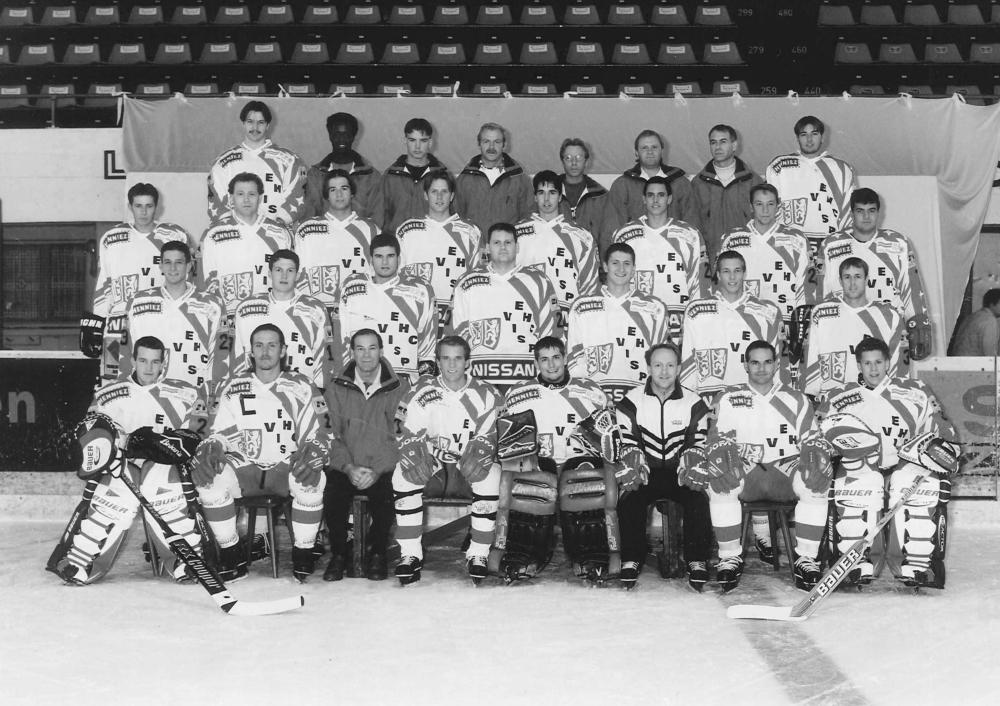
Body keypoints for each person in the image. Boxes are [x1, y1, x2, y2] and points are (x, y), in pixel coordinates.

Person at [49, 335, 205, 584]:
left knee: (158, 485)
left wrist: (172, 445)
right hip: (121, 464)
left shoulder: (185, 393)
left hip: (165, 465)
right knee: (117, 491)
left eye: (155, 362)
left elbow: (196, 435)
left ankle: (186, 560)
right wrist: (109, 452)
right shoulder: (108, 393)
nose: (149, 368)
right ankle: (82, 560)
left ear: (164, 362)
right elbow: (90, 432)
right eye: (143, 361)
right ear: (132, 360)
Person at [679, 340, 828, 592]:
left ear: (777, 364)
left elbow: (812, 439)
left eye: (767, 362)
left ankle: (806, 559)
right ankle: (729, 558)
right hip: (747, 470)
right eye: (755, 362)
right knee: (722, 478)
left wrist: (817, 455)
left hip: (784, 470)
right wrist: (717, 452)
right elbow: (714, 437)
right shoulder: (727, 397)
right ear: (746, 365)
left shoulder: (796, 398)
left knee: (814, 480)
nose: (761, 368)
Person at [814, 336, 960, 587]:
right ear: (858, 365)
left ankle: (916, 563)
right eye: (867, 363)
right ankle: (855, 562)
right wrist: (823, 453)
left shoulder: (915, 391)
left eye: (878, 362)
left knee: (915, 483)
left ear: (888, 362)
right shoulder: (839, 396)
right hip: (861, 465)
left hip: (903, 464)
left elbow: (942, 428)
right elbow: (817, 433)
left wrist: (944, 448)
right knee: (860, 483)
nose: (873, 369)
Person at [193, 324, 331, 582]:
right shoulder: (233, 386)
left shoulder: (302, 385)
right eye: (259, 345)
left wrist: (314, 452)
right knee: (209, 480)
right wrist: (212, 448)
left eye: (272, 345)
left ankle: (303, 553)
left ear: (283, 350)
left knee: (313, 478)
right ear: (251, 351)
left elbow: (320, 431)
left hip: (285, 466)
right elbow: (218, 431)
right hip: (245, 467)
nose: (265, 351)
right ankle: (231, 554)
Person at [494, 336, 624, 582]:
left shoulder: (590, 390)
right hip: (540, 460)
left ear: (565, 359)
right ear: (536, 363)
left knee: (582, 477)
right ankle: (528, 552)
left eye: (556, 358)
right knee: (534, 479)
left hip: (577, 460)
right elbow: (507, 438)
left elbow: (610, 432)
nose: (551, 365)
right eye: (544, 359)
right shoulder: (518, 392)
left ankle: (589, 553)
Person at [392, 336, 502, 584]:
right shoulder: (420, 390)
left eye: (458, 358)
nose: (452, 365)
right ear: (438, 362)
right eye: (446, 358)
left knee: (491, 476)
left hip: (469, 458)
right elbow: (402, 428)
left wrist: (486, 447)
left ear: (468, 362)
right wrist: (412, 448)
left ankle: (478, 553)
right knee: (402, 474)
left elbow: (497, 432)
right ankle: (410, 554)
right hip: (434, 457)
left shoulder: (487, 393)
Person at [615, 342, 714, 590]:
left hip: (678, 471)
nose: (664, 371)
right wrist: (633, 460)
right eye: (658, 365)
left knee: (698, 497)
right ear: (649, 368)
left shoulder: (694, 402)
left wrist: (691, 461)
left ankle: (697, 560)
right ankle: (631, 559)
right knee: (630, 496)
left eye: (670, 365)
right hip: (647, 470)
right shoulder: (630, 401)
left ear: (679, 368)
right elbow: (628, 441)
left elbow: (697, 442)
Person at [322, 329, 411, 581]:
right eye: (360, 349)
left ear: (381, 351)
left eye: (372, 348)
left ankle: (378, 552)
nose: (366, 355)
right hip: (347, 464)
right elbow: (330, 434)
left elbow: (401, 436)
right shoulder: (336, 388)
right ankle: (339, 554)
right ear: (352, 353)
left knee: (387, 494)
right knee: (333, 493)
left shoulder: (400, 388)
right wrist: (348, 467)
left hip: (382, 466)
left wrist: (378, 469)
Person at [82, 183, 191, 380]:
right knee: (112, 380)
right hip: (117, 322)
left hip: (157, 318)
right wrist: (97, 323)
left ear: (157, 207)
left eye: (149, 206)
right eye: (138, 206)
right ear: (130, 206)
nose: (143, 212)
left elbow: (184, 280)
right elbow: (104, 283)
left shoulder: (174, 235)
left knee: (159, 378)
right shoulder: (111, 238)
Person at [818, 188, 934, 360]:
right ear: (851, 213)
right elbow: (821, 293)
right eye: (860, 211)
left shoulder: (898, 244)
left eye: (871, 211)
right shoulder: (831, 245)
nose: (866, 216)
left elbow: (912, 287)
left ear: (879, 212)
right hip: (844, 328)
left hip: (888, 329)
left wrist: (918, 323)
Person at [451, 222, 560, 392]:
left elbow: (552, 331)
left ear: (517, 246)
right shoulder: (466, 282)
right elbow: (455, 333)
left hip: (526, 375)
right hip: (478, 376)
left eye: (508, 242)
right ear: (488, 247)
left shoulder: (539, 280)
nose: (503, 247)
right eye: (497, 242)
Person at [294, 169, 381, 376]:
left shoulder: (370, 229)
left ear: (352, 193)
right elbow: (298, 275)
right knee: (319, 374)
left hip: (356, 314)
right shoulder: (307, 230)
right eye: (333, 190)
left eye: (344, 188)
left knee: (355, 375)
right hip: (318, 314)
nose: (339, 194)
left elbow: (377, 277)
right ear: (325, 195)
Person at [765, 115, 857, 301]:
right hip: (790, 247)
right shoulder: (779, 166)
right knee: (791, 299)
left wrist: (845, 249)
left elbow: (849, 214)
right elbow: (768, 209)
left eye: (814, 134)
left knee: (827, 300)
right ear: (797, 138)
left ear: (822, 137)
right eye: (803, 134)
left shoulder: (841, 168)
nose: (809, 139)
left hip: (829, 247)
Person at [121, 240, 225, 402]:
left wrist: (212, 395)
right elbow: (124, 350)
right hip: (148, 395)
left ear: (189, 266)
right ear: (160, 266)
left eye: (179, 262)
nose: (173, 268)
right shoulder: (138, 302)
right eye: (168, 262)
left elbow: (221, 355)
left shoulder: (212, 304)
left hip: (193, 396)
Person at [566, 243, 669, 402]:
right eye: (615, 263)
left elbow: (661, 359)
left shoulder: (655, 308)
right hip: (594, 398)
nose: (621, 269)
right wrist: (586, 396)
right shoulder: (581, 307)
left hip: (640, 399)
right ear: (605, 266)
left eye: (627, 263)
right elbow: (574, 360)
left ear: (634, 269)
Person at [609, 177, 703, 339]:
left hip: (677, 319)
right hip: (636, 317)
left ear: (669, 199)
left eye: (661, 195)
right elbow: (614, 280)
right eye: (650, 195)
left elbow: (699, 280)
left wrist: (698, 320)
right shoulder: (624, 234)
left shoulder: (690, 235)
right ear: (643, 199)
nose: (655, 200)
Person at [680, 250, 782, 399]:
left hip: (752, 399)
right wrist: (688, 401)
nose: (732, 277)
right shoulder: (695, 311)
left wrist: (775, 399)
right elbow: (688, 362)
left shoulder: (767, 312)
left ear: (745, 274)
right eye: (726, 271)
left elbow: (777, 363)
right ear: (718, 275)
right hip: (708, 400)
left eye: (737, 271)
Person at [337, 233, 437, 381]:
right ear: (370, 259)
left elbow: (428, 345)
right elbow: (342, 338)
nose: (384, 262)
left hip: (405, 379)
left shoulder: (420, 290)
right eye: (379, 256)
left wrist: (425, 382)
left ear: (399, 259)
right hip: (362, 378)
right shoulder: (351, 287)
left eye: (390, 256)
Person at [396, 169, 482, 335]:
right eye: (434, 192)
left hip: (456, 314)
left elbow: (477, 277)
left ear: (452, 196)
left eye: (444, 192)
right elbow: (397, 276)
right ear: (425, 195)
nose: (439, 197)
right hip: (416, 314)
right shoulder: (406, 231)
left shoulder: (470, 232)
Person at [802, 257, 903, 400]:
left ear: (866, 279)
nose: (852, 283)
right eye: (847, 277)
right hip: (831, 398)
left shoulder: (889, 315)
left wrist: (894, 397)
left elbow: (896, 363)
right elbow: (811, 355)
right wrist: (810, 395)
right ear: (840, 281)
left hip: (873, 398)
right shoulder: (821, 312)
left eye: (858, 276)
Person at [232, 249, 331, 390]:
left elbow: (324, 355)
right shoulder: (246, 308)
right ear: (269, 273)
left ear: (297, 275)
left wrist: (319, 389)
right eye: (278, 270)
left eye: (290, 270)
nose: (284, 276)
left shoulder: (316, 309)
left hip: (302, 390)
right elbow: (238, 355)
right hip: (257, 390)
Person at [720, 183, 810, 333]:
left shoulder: (796, 239)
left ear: (778, 207)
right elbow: (721, 284)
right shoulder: (731, 239)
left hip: (785, 320)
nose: (765, 210)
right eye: (759, 204)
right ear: (751, 207)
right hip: (743, 320)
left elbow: (806, 285)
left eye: (770, 204)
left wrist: (801, 324)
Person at [199, 172, 293, 313]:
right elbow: (207, 278)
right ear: (231, 198)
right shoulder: (214, 234)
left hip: (270, 311)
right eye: (240, 194)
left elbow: (289, 276)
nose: (246, 199)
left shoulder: (279, 233)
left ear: (260, 197)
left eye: (252, 194)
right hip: (229, 313)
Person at [515, 170, 600, 325]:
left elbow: (590, 285)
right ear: (535, 197)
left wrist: (585, 320)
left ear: (560, 197)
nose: (546, 199)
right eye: (541, 192)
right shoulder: (516, 233)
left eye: (552, 192)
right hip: (526, 315)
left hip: (567, 317)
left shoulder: (582, 237)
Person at [206, 100, 308, 225]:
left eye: (261, 122)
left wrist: (278, 225)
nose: (255, 127)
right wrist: (231, 228)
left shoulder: (290, 160)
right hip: (236, 232)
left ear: (268, 125)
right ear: (243, 123)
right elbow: (217, 201)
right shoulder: (223, 162)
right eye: (250, 122)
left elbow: (296, 196)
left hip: (276, 231)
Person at [602, 128, 702, 255]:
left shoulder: (680, 183)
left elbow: (692, 224)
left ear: (662, 150)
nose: (650, 151)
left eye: (654, 147)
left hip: (674, 254)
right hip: (635, 254)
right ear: (636, 153)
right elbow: (612, 228)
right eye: (644, 148)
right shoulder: (622, 185)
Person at [691, 124, 763, 265]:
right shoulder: (698, 183)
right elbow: (693, 225)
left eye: (723, 142)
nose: (718, 147)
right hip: (712, 260)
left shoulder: (753, 181)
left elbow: (763, 221)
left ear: (734, 145)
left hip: (746, 258)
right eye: (713, 142)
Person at [454, 122, 534, 236]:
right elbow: (456, 217)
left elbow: (528, 218)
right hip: (474, 245)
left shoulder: (519, 179)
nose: (491, 147)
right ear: (479, 144)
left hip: (506, 245)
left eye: (497, 142)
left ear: (504, 144)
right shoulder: (464, 179)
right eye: (486, 141)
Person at [306, 112, 382, 221]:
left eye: (347, 135)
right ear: (330, 136)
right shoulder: (315, 175)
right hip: (323, 231)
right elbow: (310, 215)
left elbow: (377, 217)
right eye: (337, 134)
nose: (341, 139)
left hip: (362, 231)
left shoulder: (372, 177)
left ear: (354, 137)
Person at [379, 117, 449, 233]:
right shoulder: (390, 176)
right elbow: (379, 214)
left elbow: (453, 215)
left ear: (430, 142)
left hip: (432, 240)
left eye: (423, 141)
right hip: (397, 240)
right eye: (412, 140)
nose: (417, 146)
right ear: (405, 141)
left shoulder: (443, 176)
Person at [557, 137, 607, 244]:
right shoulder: (550, 193)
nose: (574, 162)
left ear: (586, 162)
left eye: (579, 157)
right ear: (562, 162)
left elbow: (606, 234)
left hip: (591, 251)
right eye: (568, 158)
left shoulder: (601, 196)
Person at [951, 288, 1000, 356]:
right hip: (972, 361)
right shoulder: (990, 320)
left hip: (956, 360)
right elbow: (989, 353)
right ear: (992, 304)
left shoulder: (972, 317)